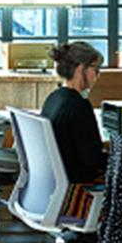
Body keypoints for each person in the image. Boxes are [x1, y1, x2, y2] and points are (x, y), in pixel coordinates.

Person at [41, 41, 106, 218]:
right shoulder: (79, 106)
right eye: (95, 69)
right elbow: (93, 160)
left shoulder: (55, 98)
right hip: (76, 194)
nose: (98, 75)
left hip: (54, 190)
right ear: (80, 69)